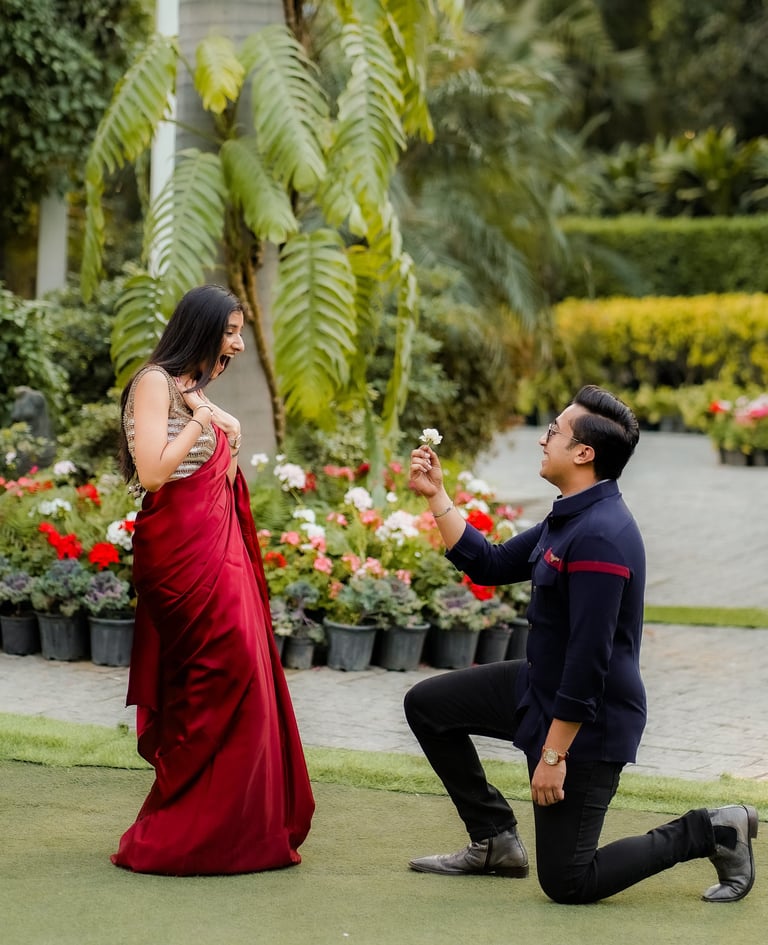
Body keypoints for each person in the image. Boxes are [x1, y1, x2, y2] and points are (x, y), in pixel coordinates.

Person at [404, 384, 757, 904]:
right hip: (539, 687)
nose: (542, 439)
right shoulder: (571, 514)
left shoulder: (600, 536)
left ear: (583, 453)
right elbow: (492, 563)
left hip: (589, 720)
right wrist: (437, 496)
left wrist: (553, 754)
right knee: (428, 706)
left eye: (553, 431)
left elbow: (590, 660)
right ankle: (494, 838)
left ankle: (711, 829)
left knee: (569, 881)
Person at [112, 284, 314, 875]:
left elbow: (217, 476)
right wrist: (202, 420)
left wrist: (217, 423)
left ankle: (234, 828)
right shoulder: (154, 382)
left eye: (239, 332)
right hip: (178, 552)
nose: (239, 344)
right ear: (200, 328)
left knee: (244, 673)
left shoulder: (194, 390)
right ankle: (182, 828)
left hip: (218, 545)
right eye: (230, 332)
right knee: (216, 674)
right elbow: (153, 473)